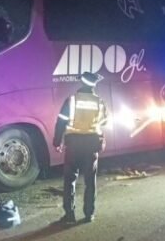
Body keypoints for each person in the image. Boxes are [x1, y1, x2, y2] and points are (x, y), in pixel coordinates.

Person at [53, 72, 109, 224]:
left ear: (82, 83)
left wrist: (57, 142)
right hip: (91, 145)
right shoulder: (100, 102)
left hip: (73, 145)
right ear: (94, 85)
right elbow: (104, 122)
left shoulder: (71, 100)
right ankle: (89, 214)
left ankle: (69, 215)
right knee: (90, 181)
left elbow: (61, 122)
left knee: (70, 180)